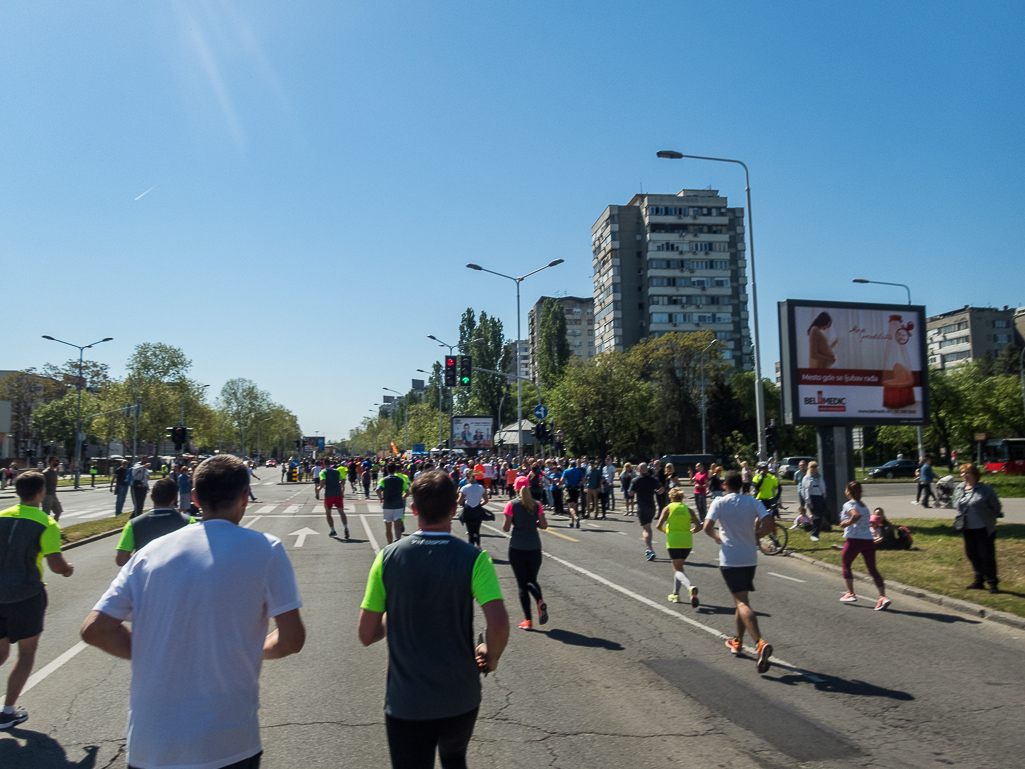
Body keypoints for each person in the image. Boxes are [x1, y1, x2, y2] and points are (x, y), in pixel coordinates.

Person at [81, 455, 305, 769]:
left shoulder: (149, 553)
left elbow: (94, 629)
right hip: (227, 741)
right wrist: (254, 649)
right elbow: (292, 639)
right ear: (244, 498)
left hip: (150, 743)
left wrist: (155, 651)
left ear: (195, 498)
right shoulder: (265, 548)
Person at [358, 470, 509, 769]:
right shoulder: (475, 558)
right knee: (455, 760)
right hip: (460, 696)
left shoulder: (387, 557)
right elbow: (499, 623)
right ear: (455, 508)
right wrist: (490, 656)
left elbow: (367, 633)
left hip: (407, 700)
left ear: (413, 509)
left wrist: (398, 612)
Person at [0, 471, 74, 730]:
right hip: (26, 595)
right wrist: (67, 568)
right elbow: (55, 565)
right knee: (26, 653)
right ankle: (7, 712)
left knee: (0, 653)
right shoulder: (47, 523)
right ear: (41, 493)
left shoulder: (1, 516)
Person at [703, 471, 775, 674]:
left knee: (741, 602)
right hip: (750, 558)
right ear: (741, 485)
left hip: (731, 558)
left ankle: (760, 643)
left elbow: (706, 527)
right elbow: (770, 524)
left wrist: (716, 536)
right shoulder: (752, 501)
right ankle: (738, 641)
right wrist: (757, 535)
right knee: (741, 599)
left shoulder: (719, 502)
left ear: (725, 485)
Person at [114, 478, 196, 567]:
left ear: (152, 497)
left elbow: (121, 560)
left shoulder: (133, 524)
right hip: (179, 577)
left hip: (145, 577)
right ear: (174, 499)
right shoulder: (189, 522)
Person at [503, 475, 548, 630]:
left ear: (515, 488)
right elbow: (544, 525)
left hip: (517, 547)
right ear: (528, 487)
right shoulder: (537, 504)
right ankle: (540, 601)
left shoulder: (511, 504)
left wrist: (516, 521)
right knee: (532, 580)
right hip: (534, 547)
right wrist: (533, 522)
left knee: (522, 585)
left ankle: (528, 620)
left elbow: (505, 528)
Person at [838, 482, 891, 610]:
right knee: (872, 569)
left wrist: (846, 523)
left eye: (846, 489)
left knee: (846, 564)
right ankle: (882, 597)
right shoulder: (864, 505)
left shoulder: (849, 504)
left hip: (854, 540)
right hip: (868, 540)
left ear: (849, 492)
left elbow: (856, 515)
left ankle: (850, 593)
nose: (845, 491)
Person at [954, 463, 1002, 593]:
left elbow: (996, 506)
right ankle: (979, 580)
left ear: (975, 474)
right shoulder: (959, 488)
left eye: (967, 473)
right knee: (972, 554)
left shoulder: (985, 489)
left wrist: (991, 517)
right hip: (967, 527)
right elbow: (955, 504)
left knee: (986, 555)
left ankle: (992, 582)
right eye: (962, 473)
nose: (964, 475)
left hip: (983, 527)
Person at [656, 488, 703, 607]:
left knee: (677, 569)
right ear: (681, 498)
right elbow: (699, 526)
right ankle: (675, 593)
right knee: (679, 567)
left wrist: (667, 530)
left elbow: (658, 526)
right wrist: (692, 531)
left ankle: (690, 587)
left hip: (674, 541)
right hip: (687, 542)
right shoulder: (688, 509)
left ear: (671, 497)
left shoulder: (668, 508)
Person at [630, 463, 664, 561]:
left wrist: (635, 491)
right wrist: (656, 491)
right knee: (649, 527)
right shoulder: (653, 479)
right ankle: (648, 547)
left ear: (639, 470)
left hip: (642, 506)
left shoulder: (635, 480)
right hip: (651, 506)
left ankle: (650, 550)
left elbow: (630, 492)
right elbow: (661, 489)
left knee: (645, 529)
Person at [377, 463, 409, 545]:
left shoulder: (384, 480)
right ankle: (397, 543)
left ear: (387, 469)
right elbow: (408, 491)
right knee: (397, 527)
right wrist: (403, 497)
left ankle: (389, 545)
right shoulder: (401, 480)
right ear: (395, 470)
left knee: (388, 528)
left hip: (387, 505)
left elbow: (378, 490)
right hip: (398, 504)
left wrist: (381, 498)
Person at [456, 473, 488, 549]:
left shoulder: (465, 488)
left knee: (470, 530)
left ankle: (471, 546)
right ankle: (478, 544)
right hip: (477, 509)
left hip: (468, 509)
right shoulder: (480, 487)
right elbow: (486, 500)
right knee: (477, 529)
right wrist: (480, 504)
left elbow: (460, 501)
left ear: (467, 478)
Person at [321, 460, 350, 540]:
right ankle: (345, 527)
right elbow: (343, 480)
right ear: (330, 464)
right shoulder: (337, 471)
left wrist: (319, 488)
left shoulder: (323, 472)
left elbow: (323, 481)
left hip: (329, 494)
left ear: (324, 464)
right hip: (338, 493)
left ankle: (333, 530)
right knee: (341, 512)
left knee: (328, 513)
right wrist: (339, 484)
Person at [800, 461, 828, 542]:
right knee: (816, 517)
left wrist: (824, 497)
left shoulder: (819, 477)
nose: (814, 468)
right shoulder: (806, 478)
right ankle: (814, 534)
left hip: (820, 497)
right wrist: (808, 502)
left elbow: (823, 488)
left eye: (815, 467)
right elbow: (805, 491)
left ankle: (812, 530)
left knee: (819, 517)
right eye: (812, 467)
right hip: (812, 498)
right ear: (809, 468)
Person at [561, 460, 584, 528]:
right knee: (574, 506)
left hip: (568, 490)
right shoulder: (579, 471)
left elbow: (562, 480)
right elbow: (584, 480)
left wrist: (564, 483)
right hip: (576, 489)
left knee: (570, 506)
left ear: (570, 465)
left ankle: (576, 517)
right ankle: (571, 522)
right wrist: (580, 483)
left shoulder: (566, 471)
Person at [41, 455, 63, 522]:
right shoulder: (46, 472)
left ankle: (54, 527)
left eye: (57, 461)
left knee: (58, 511)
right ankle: (44, 528)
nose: (57, 462)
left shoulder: (55, 471)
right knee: (45, 514)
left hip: (53, 494)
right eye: (55, 461)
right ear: (50, 462)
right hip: (47, 495)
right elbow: (42, 484)